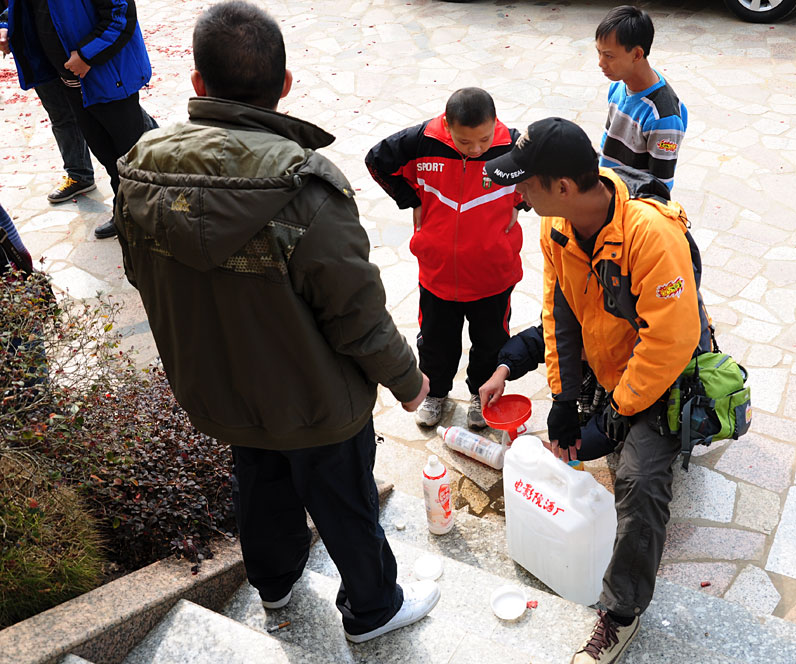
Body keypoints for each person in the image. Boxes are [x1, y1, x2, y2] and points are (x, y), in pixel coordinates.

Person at [114, 1, 439, 643]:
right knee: (345, 501)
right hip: (315, 398)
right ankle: (373, 609)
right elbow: (357, 316)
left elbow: (139, 274)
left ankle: (276, 586)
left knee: (259, 483)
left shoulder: (140, 170)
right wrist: (408, 381)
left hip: (222, 389)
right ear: (285, 85)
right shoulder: (304, 190)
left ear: (198, 84)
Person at [485, 117, 712, 664]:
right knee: (586, 441)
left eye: (524, 183)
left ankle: (621, 613)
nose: (517, 194)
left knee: (639, 482)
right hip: (608, 362)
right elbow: (559, 311)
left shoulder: (650, 235)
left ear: (562, 187)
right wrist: (563, 398)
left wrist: (619, 410)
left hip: (666, 370)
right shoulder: (556, 225)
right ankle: (612, 420)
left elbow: (670, 341)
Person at [365, 88, 525, 430]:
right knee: (436, 341)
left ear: (494, 123)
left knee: (490, 343)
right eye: (465, 142)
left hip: (493, 274)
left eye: (483, 138)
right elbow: (375, 160)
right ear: (446, 124)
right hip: (437, 273)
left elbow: (547, 174)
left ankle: (482, 396)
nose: (477, 148)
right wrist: (410, 199)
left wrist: (520, 202)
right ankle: (435, 392)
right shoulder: (422, 141)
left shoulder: (512, 146)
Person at [1, 0, 155, 240]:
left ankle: (151, 219)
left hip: (109, 77)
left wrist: (87, 55)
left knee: (132, 156)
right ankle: (126, 213)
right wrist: (6, 24)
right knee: (106, 154)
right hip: (73, 83)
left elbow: (120, 15)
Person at [478, 323, 615, 462]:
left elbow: (609, 428)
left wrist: (551, 449)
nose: (568, 352)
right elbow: (535, 341)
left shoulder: (627, 367)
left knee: (630, 464)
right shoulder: (569, 326)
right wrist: (501, 371)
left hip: (625, 414)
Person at [596, 5, 687, 191]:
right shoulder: (618, 87)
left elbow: (660, 189)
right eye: (598, 52)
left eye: (609, 55)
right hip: (608, 194)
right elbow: (608, 141)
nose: (601, 63)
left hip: (632, 208)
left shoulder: (663, 117)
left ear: (637, 54)